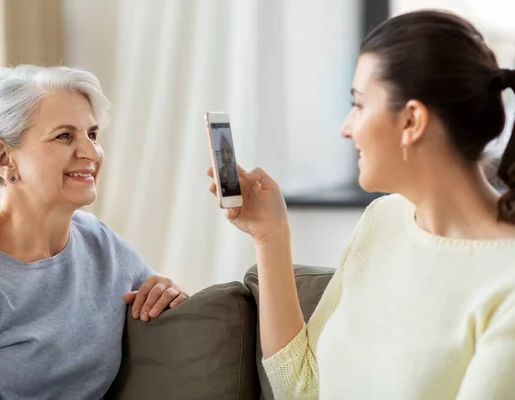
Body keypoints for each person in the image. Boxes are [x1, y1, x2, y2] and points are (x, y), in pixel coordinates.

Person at [208, 10, 515, 399]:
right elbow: (303, 385)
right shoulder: (382, 221)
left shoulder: (506, 288)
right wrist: (271, 235)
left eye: (358, 104)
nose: (346, 127)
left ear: (411, 122)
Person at [0, 65, 188, 399]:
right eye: (64, 136)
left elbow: (164, 310)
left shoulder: (100, 243)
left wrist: (169, 291)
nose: (90, 152)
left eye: (92, 134)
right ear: (4, 158)